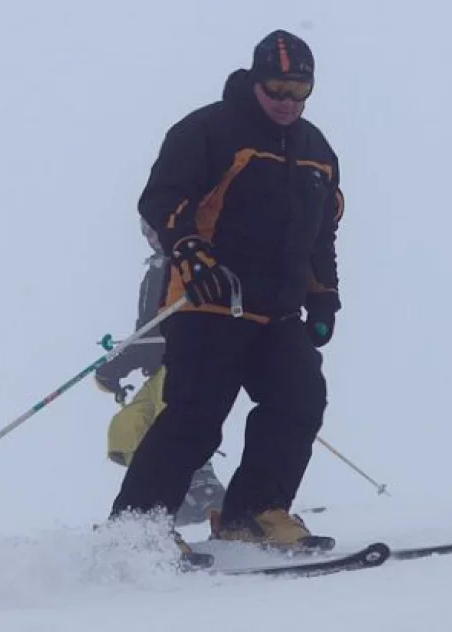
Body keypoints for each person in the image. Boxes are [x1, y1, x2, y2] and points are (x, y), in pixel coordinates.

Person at [109, 29, 344, 557]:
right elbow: (161, 199)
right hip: (211, 301)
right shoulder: (209, 130)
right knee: (195, 416)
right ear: (256, 81)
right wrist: (189, 248)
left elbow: (321, 233)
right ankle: (137, 532)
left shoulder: (316, 150)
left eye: (299, 91)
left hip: (277, 310)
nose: (287, 102)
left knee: (300, 398)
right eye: (277, 89)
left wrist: (324, 295)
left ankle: (253, 514)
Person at [94, 218, 227, 528]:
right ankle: (160, 494)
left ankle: (203, 486)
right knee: (125, 428)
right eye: (145, 232)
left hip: (188, 360)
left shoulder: (192, 263)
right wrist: (116, 366)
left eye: (154, 230)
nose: (151, 238)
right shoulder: (155, 270)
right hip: (159, 367)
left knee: (175, 415)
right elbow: (147, 330)